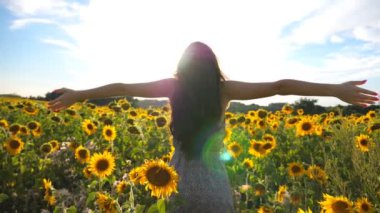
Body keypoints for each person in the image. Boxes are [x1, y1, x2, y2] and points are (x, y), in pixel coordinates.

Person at [48, 41, 378, 212]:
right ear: (213, 65)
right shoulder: (225, 90)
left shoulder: (172, 86)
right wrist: (335, 90)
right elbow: (280, 85)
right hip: (214, 185)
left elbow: (121, 86)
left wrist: (80, 94)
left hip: (178, 181)